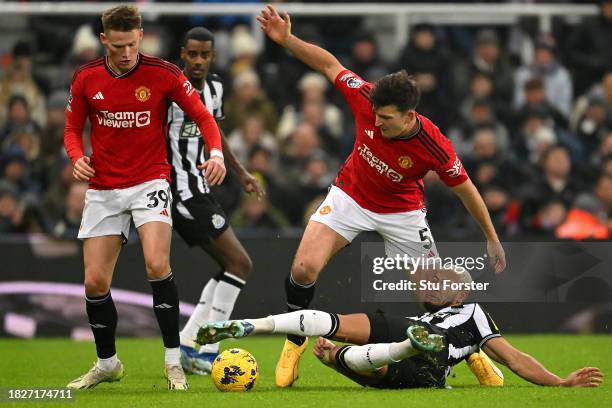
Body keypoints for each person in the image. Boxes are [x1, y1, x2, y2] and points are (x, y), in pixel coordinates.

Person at [256, 5, 507, 388]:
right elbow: (328, 64)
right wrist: (288, 39)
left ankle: (471, 353)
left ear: (408, 116)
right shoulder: (367, 98)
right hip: (350, 196)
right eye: (375, 115)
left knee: (438, 298)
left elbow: (467, 191)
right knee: (303, 269)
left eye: (386, 118)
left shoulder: (434, 145)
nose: (376, 122)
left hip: (402, 213)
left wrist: (491, 236)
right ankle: (295, 341)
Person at [63, 6, 226, 391]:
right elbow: (72, 128)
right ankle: (107, 364)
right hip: (104, 188)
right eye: (117, 45)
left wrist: (215, 154)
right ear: (105, 40)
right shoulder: (86, 78)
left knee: (156, 264)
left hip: (150, 181)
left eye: (132, 44)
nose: (125, 53)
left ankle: (173, 361)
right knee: (94, 283)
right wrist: (76, 158)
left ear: (141, 36)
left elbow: (203, 117)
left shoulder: (163, 73)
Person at [197, 266, 604, 390]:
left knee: (375, 347)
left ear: (459, 294)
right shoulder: (425, 313)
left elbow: (516, 359)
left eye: (440, 282)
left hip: (430, 366)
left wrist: (561, 382)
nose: (430, 285)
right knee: (340, 334)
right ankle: (248, 326)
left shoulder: (476, 314)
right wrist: (335, 360)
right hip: (407, 342)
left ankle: (401, 348)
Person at [167, 27, 264, 375]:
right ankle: (208, 350)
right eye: (191, 54)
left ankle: (187, 345)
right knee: (240, 264)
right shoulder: (169, 89)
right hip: (179, 192)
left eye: (203, 54)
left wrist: (242, 172)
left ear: (212, 56)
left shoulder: (216, 88)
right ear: (182, 53)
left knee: (231, 267)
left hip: (201, 190)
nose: (197, 60)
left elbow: (214, 131)